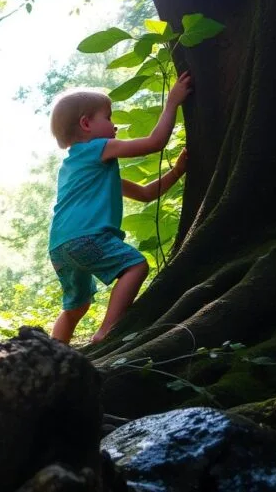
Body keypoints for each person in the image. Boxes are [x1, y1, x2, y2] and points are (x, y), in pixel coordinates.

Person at [47, 72, 193, 345]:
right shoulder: (99, 149)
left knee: (76, 305)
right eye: (108, 117)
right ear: (86, 123)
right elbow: (154, 144)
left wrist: (177, 172)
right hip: (87, 236)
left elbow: (146, 193)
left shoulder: (76, 168)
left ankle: (51, 352)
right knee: (136, 265)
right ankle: (106, 332)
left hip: (59, 247)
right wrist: (172, 102)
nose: (114, 126)